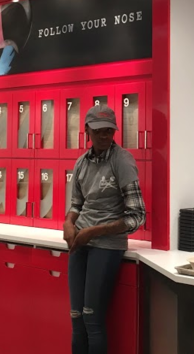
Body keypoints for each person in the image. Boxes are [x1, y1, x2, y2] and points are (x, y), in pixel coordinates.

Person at [64, 105, 146, 354]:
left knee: (92, 318)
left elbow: (137, 216)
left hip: (107, 246)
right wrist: (68, 223)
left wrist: (94, 231)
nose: (104, 136)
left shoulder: (122, 161)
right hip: (81, 242)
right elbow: (76, 204)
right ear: (87, 130)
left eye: (109, 131)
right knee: (76, 316)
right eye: (99, 131)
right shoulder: (81, 163)